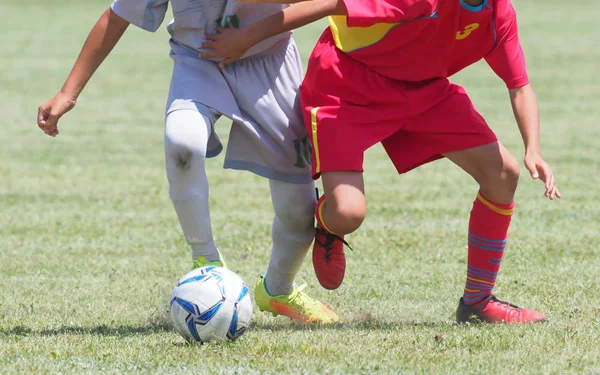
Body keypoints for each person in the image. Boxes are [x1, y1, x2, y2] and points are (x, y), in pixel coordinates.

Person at [199, 0, 561, 323]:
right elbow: (329, 4)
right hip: (349, 85)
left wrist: (534, 148)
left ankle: (478, 303)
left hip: (424, 91)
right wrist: (245, 38)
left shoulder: (498, 14)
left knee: (504, 174)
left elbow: (519, 85)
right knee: (348, 213)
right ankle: (329, 225)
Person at [36, 1, 339, 324]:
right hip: (199, 61)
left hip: (270, 62)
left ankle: (278, 289)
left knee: (298, 211)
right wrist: (68, 93)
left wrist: (248, 36)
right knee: (182, 141)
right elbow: (118, 14)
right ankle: (206, 263)